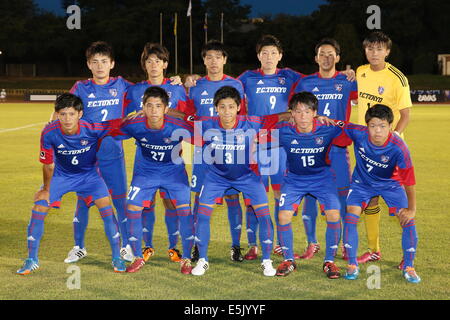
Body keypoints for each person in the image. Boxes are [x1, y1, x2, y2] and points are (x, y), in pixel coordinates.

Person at [183, 86, 291, 276]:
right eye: (222, 107)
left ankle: (266, 261)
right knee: (202, 214)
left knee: (264, 215)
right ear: (216, 108)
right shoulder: (206, 124)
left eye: (231, 107)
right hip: (216, 177)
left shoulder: (252, 123)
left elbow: (275, 118)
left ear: (239, 107)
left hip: (247, 177)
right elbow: (181, 118)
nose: (227, 112)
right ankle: (203, 260)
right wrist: (158, 111)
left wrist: (296, 113)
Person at [17, 93, 126, 275]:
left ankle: (117, 256)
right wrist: (45, 189)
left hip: (89, 175)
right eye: (63, 114)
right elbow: (48, 165)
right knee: (39, 207)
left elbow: (119, 123)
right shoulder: (49, 132)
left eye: (71, 114)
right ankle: (31, 259)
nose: (67, 119)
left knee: (106, 208)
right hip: (62, 176)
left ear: (80, 114)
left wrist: (138, 116)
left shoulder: (93, 128)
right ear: (57, 114)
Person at [111, 86, 195, 274]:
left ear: (166, 108)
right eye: (149, 106)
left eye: (158, 106)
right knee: (132, 207)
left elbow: (203, 134)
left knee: (184, 210)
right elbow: (109, 129)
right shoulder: (134, 124)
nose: (154, 110)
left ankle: (187, 258)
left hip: (174, 172)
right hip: (145, 173)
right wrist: (124, 119)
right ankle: (138, 256)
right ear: (143, 107)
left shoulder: (178, 125)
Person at [65, 41, 134, 263]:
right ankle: (79, 247)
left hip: (113, 155)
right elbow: (67, 109)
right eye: (95, 62)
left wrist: (176, 81)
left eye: (104, 61)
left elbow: (149, 92)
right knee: (84, 201)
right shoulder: (81, 88)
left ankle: (127, 246)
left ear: (112, 64)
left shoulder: (123, 85)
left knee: (120, 201)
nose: (100, 66)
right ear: (88, 65)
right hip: (88, 157)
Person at [237, 34, 303, 260]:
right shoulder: (247, 77)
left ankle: (276, 242)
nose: (269, 57)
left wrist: (345, 74)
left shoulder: (289, 76)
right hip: (254, 144)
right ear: (258, 56)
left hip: (278, 145)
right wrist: (192, 80)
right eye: (264, 53)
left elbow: (316, 80)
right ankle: (253, 244)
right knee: (252, 195)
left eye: (273, 53)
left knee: (279, 193)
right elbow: (224, 85)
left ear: (280, 56)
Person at [291, 38, 358, 260]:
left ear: (338, 58)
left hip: (337, 148)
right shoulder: (305, 83)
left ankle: (344, 245)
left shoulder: (348, 81)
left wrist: (357, 75)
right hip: (310, 150)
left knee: (342, 199)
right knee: (309, 197)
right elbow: (293, 109)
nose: (326, 58)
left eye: (331, 54)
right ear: (316, 58)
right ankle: (312, 243)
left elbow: (369, 96)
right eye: (322, 54)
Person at [274, 91, 351, 279]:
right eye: (298, 112)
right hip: (294, 179)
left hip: (322, 178)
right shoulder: (283, 131)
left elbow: (350, 132)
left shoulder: (327, 128)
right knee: (283, 215)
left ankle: (329, 261)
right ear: (291, 113)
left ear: (315, 113)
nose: (302, 116)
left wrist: (333, 120)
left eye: (307, 112)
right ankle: (289, 260)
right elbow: (259, 129)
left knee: (334, 214)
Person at [124, 43, 189, 264]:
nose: (154, 65)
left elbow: (187, 117)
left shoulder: (177, 88)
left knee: (171, 203)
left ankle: (173, 247)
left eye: (158, 61)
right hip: (146, 156)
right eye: (149, 61)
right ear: (144, 64)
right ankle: (146, 246)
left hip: (173, 156)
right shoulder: (134, 90)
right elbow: (127, 120)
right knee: (146, 202)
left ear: (165, 64)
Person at [341, 104, 420, 283]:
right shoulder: (358, 132)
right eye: (373, 126)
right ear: (366, 126)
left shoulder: (399, 147)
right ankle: (352, 264)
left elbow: (409, 181)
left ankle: (409, 266)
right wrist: (321, 119)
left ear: (391, 127)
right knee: (351, 215)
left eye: (382, 126)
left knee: (408, 220)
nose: (377, 131)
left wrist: (411, 209)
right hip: (362, 184)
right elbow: (337, 124)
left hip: (390, 185)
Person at [184, 40, 247, 263]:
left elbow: (244, 118)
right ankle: (196, 247)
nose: (213, 61)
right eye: (209, 57)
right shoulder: (195, 85)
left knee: (232, 197)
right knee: (200, 199)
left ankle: (236, 245)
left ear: (225, 60)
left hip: (230, 150)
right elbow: (187, 115)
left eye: (218, 57)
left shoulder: (236, 85)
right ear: (203, 60)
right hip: (204, 152)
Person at [355, 31, 413, 263]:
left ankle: (407, 256)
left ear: (387, 51)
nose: (374, 53)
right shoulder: (360, 72)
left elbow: (406, 115)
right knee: (370, 199)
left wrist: (393, 138)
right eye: (370, 48)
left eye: (379, 49)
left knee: (398, 201)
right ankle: (373, 250)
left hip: (389, 150)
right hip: (364, 147)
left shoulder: (397, 78)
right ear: (365, 50)